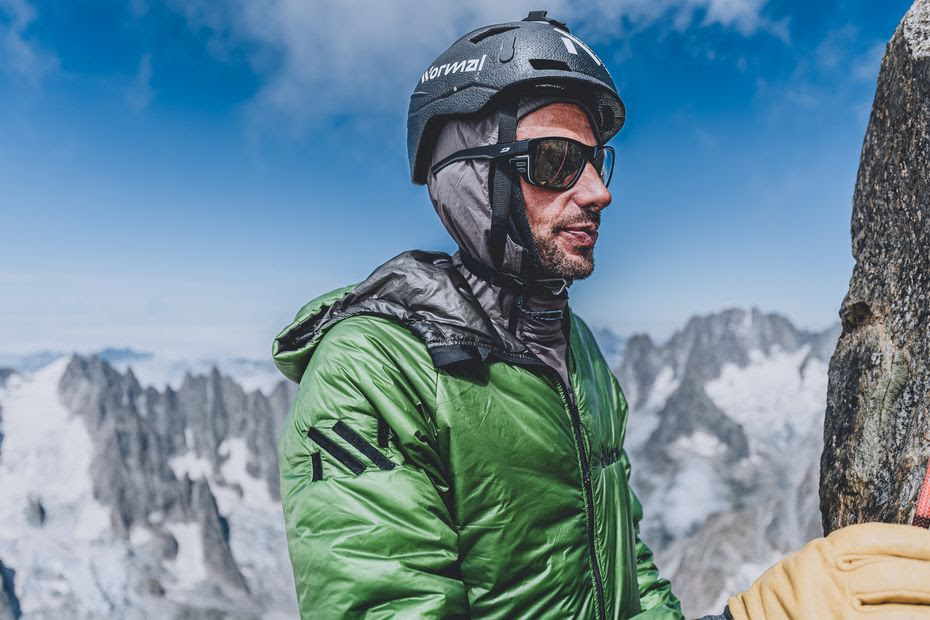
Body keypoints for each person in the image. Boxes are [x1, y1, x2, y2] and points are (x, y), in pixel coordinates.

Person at [272, 11, 930, 619]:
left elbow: (624, 568)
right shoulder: (370, 371)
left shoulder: (572, 345)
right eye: (556, 162)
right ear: (473, 177)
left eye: (596, 160)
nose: (599, 191)